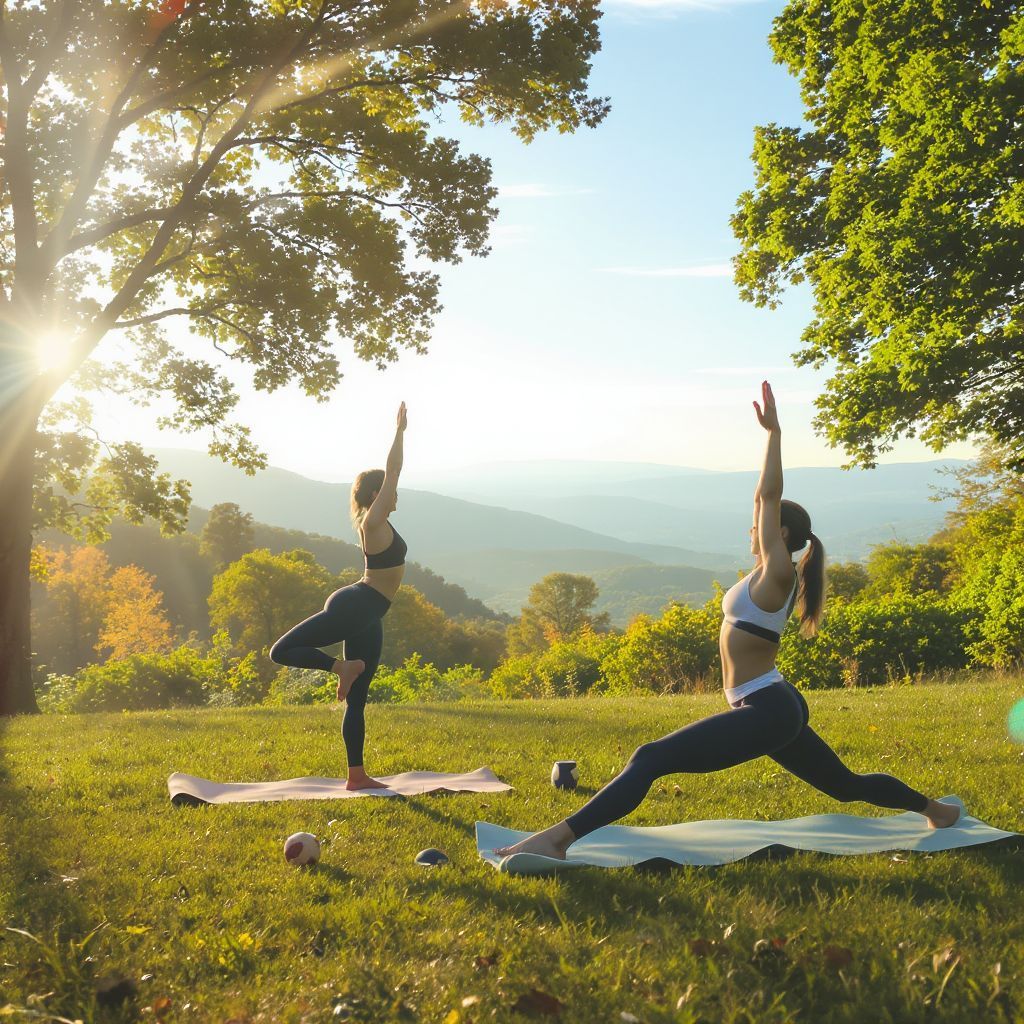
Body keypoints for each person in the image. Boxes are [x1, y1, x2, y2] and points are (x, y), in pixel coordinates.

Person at [494, 382, 959, 860]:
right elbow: (764, 503)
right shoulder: (767, 574)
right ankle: (937, 812)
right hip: (771, 704)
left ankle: (557, 841)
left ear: (779, 534)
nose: (750, 526)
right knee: (843, 785)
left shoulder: (779, 573)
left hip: (767, 709)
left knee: (650, 759)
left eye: (759, 523)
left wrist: (773, 435)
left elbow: (767, 493)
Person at [270, 402, 409, 790]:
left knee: (358, 700)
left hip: (368, 613)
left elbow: (393, 479)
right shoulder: (374, 520)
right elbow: (394, 471)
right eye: (390, 491)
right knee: (280, 651)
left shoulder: (380, 521)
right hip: (357, 605)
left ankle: (357, 776)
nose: (396, 496)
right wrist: (400, 432)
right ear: (377, 493)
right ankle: (339, 668)